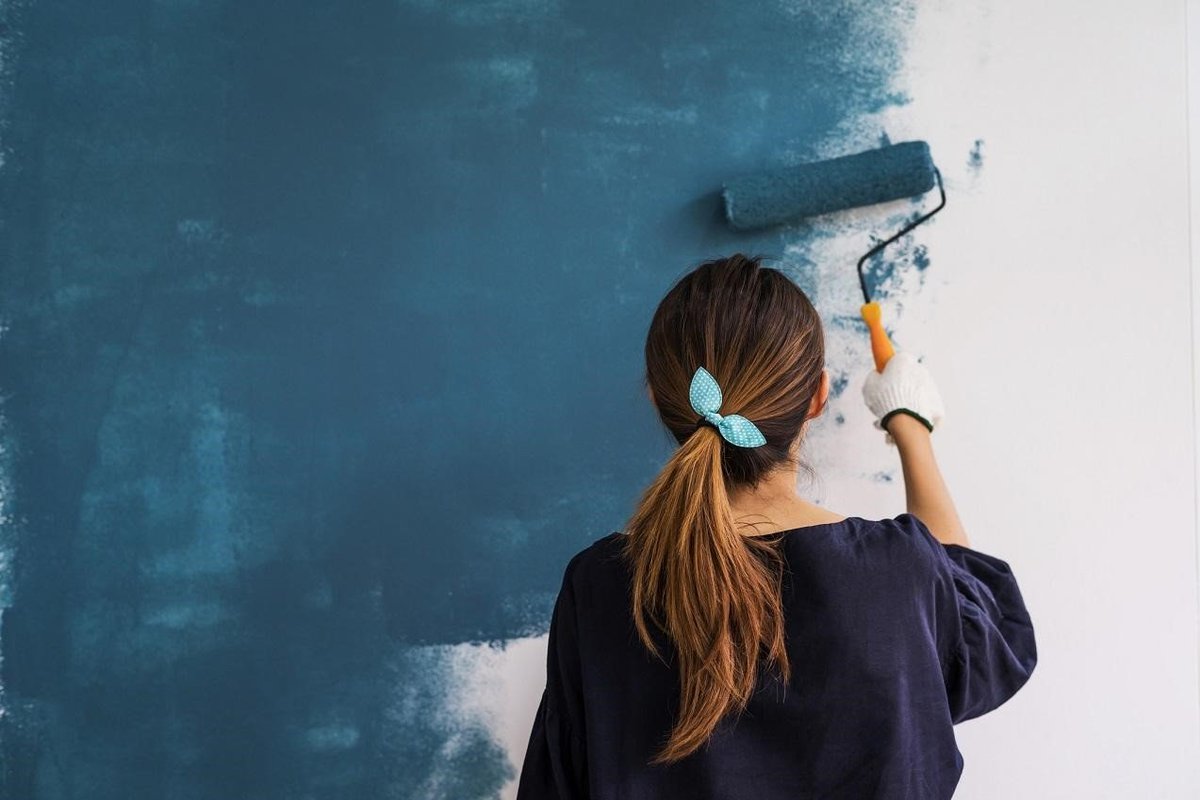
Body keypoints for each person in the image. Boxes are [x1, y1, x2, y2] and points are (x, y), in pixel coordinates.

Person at [516, 253, 1037, 799]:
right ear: (818, 396)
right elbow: (984, 636)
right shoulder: (895, 571)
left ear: (657, 398)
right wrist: (911, 425)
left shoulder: (599, 587)